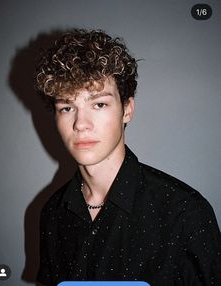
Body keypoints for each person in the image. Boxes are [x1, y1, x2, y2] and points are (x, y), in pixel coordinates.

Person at [34, 29, 221, 285]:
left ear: (127, 110)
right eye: (67, 107)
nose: (81, 124)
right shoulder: (52, 213)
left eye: (99, 104)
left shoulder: (184, 213)